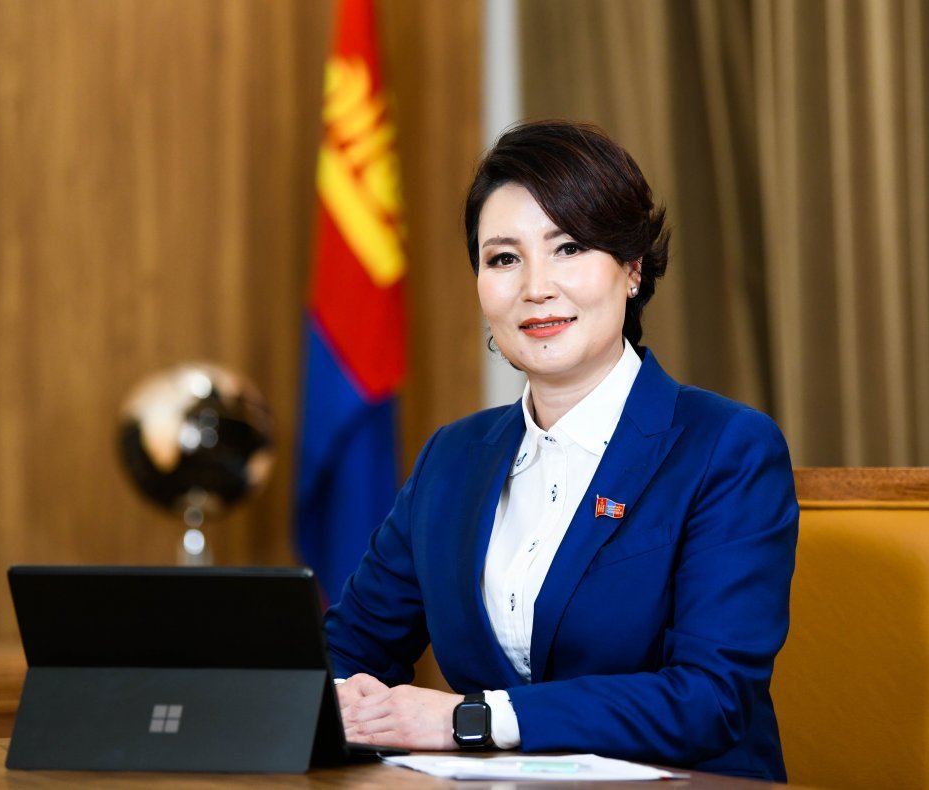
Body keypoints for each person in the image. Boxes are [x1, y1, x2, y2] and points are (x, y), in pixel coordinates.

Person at [325, 120, 798, 780]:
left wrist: (474, 718)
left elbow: (708, 700)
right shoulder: (452, 459)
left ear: (631, 268)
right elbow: (351, 649)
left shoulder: (727, 448)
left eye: (569, 247)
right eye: (503, 259)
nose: (536, 287)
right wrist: (337, 701)